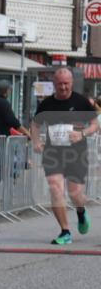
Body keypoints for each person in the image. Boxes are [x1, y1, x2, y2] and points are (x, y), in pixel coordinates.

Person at [30, 67, 99, 244]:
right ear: (54, 84)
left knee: (75, 193)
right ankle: (65, 231)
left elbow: (94, 125)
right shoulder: (46, 104)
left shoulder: (82, 102)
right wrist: (36, 142)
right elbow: (35, 125)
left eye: (66, 84)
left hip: (77, 153)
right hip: (53, 154)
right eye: (59, 84)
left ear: (71, 83)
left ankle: (81, 211)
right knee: (55, 188)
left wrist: (82, 134)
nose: (63, 87)